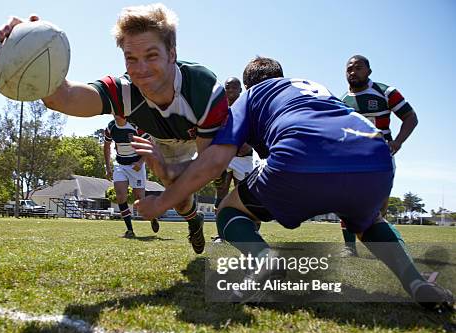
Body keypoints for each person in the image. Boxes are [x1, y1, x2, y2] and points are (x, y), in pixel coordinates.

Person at [133, 57, 452, 312]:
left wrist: (167, 181)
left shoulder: (253, 95)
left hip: (302, 157)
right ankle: (416, 283)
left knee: (229, 209)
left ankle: (263, 258)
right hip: (374, 156)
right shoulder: (316, 87)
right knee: (370, 222)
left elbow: (214, 159)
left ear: (247, 85)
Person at [0, 4, 228, 254]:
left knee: (195, 175)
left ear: (172, 53)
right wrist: (28, 47)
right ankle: (194, 219)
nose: (141, 70)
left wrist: (163, 197)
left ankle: (205, 197)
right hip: (160, 139)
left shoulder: (204, 89)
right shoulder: (125, 91)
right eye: (131, 58)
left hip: (201, 142)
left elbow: (207, 163)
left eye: (151, 56)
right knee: (179, 193)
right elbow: (62, 98)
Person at [338, 55, 419, 257]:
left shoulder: (385, 92)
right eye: (349, 69)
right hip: (353, 161)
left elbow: (411, 117)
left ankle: (386, 246)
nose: (353, 72)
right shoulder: (342, 101)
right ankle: (349, 248)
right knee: (344, 202)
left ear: (369, 71)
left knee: (377, 209)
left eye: (358, 68)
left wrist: (398, 141)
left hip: (380, 159)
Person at [104, 116, 159, 237]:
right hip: (120, 165)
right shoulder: (110, 127)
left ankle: (152, 217)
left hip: (136, 166)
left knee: (139, 200)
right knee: (120, 196)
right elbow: (107, 146)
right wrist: (107, 168)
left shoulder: (136, 127)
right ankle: (130, 230)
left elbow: (150, 145)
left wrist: (140, 162)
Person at [213, 77, 256, 211]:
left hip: (244, 158)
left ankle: (250, 227)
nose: (230, 90)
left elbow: (257, 128)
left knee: (244, 192)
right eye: (227, 87)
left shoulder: (248, 106)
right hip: (225, 156)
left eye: (234, 87)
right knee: (221, 190)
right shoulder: (219, 108)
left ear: (240, 89)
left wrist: (250, 144)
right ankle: (222, 229)